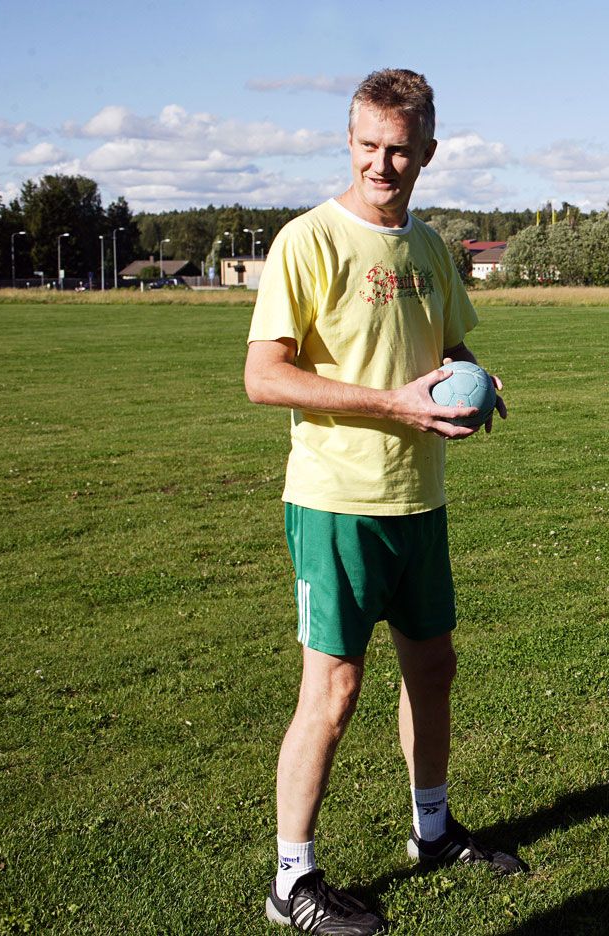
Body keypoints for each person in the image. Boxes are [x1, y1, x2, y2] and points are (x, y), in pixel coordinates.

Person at [245, 68, 523, 936]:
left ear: (427, 152)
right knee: (333, 689)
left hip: (419, 500)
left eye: (399, 149)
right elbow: (264, 376)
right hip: (337, 502)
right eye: (367, 145)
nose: (381, 163)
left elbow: (449, 350)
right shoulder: (308, 240)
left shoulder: (431, 247)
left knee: (432, 670)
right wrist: (393, 404)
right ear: (350, 142)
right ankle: (292, 880)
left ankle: (432, 832)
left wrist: (477, 382)